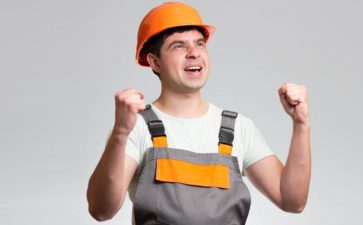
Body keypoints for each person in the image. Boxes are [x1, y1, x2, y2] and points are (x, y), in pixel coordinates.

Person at [87, 2, 311, 225]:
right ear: (154, 62)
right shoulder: (135, 126)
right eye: (179, 46)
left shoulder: (238, 128)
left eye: (200, 44)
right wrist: (120, 133)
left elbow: (292, 201)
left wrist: (301, 124)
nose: (194, 53)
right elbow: (101, 210)